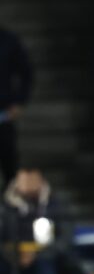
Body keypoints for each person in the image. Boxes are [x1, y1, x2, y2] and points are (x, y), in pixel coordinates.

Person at [0, 26, 33, 188]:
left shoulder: (8, 41)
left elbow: (26, 72)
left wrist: (20, 101)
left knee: (9, 166)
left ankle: (10, 207)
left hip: (3, 115)